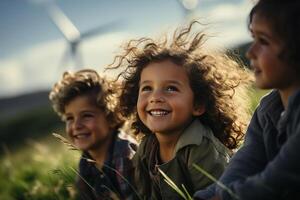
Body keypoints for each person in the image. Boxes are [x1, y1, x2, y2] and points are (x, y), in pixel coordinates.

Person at [108, 21, 252, 199]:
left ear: (198, 105)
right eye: (146, 88)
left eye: (170, 88)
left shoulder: (201, 147)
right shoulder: (146, 148)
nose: (155, 97)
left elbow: (219, 195)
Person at [194, 0, 300, 199]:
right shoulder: (267, 111)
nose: (250, 52)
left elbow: (276, 180)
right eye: (253, 39)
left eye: (264, 41)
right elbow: (243, 165)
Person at [49, 69, 137, 200]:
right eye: (69, 118)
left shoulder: (124, 155)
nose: (76, 125)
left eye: (86, 116)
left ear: (112, 117)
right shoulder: (85, 163)